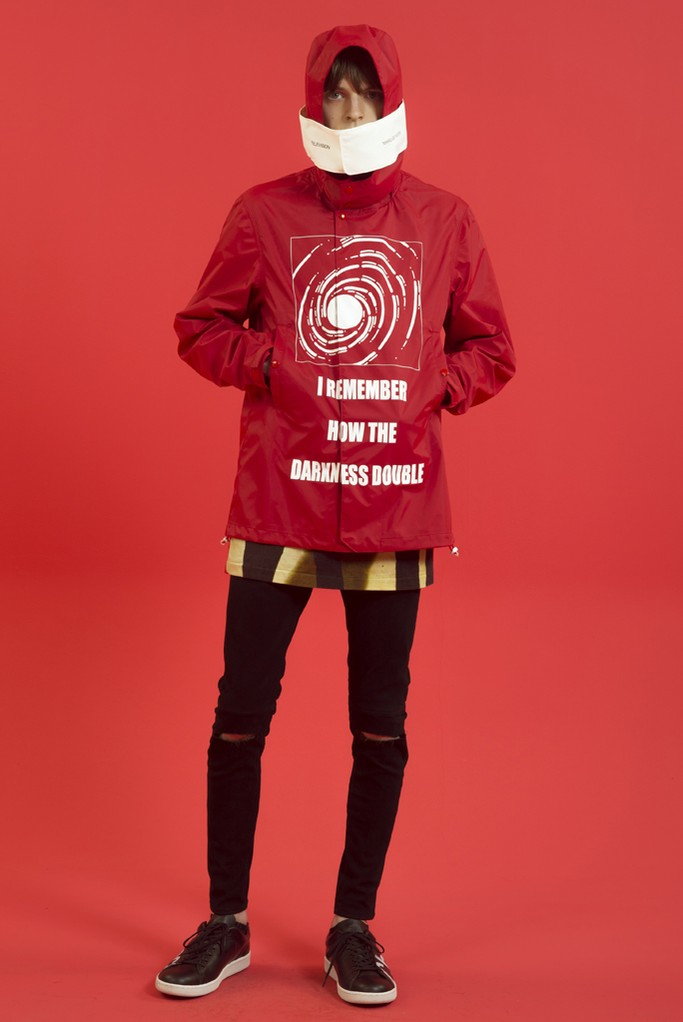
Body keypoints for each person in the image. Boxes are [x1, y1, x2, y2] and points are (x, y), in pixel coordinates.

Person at [155, 23, 515, 1006]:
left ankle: (353, 925)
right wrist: (269, 362)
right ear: (313, 103)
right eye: (334, 95)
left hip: (394, 507)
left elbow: (491, 349)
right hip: (279, 497)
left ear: (389, 101)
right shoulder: (262, 213)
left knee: (379, 728)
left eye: (364, 94)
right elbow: (200, 328)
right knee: (239, 714)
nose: (348, 112)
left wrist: (436, 384)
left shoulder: (444, 219)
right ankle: (224, 922)